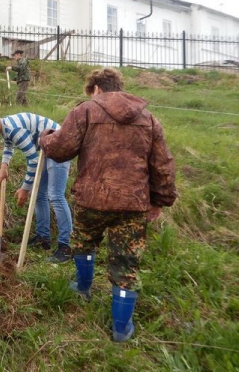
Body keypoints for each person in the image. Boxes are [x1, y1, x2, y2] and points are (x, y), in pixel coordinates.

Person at [40, 67, 177, 342]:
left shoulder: (85, 111)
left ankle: (82, 287)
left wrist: (46, 138)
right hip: (133, 203)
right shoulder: (149, 119)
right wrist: (160, 200)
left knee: (85, 242)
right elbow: (163, 165)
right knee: (126, 263)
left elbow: (61, 148)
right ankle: (121, 329)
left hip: (93, 199)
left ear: (97, 89)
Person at [0, 110, 73, 263]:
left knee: (55, 195)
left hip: (59, 145)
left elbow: (33, 160)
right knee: (39, 194)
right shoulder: (5, 127)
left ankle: (66, 247)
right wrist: (4, 165)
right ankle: (43, 237)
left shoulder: (14, 129)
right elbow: (8, 144)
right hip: (47, 148)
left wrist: (25, 189)